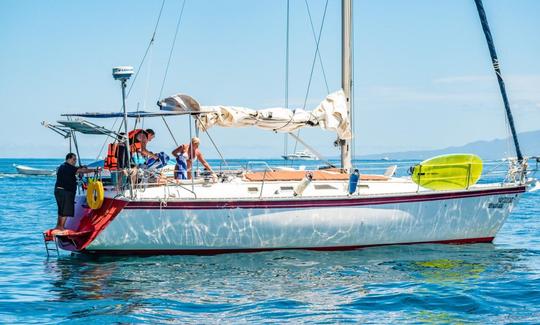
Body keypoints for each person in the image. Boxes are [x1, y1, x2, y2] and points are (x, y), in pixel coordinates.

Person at [53, 153, 100, 234]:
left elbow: (76, 168)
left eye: (76, 159)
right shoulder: (68, 167)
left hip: (58, 191)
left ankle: (58, 226)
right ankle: (61, 227)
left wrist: (80, 167)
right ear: (68, 159)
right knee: (65, 210)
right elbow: (81, 171)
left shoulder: (63, 166)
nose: (75, 161)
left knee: (61, 210)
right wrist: (94, 170)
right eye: (74, 159)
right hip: (65, 191)